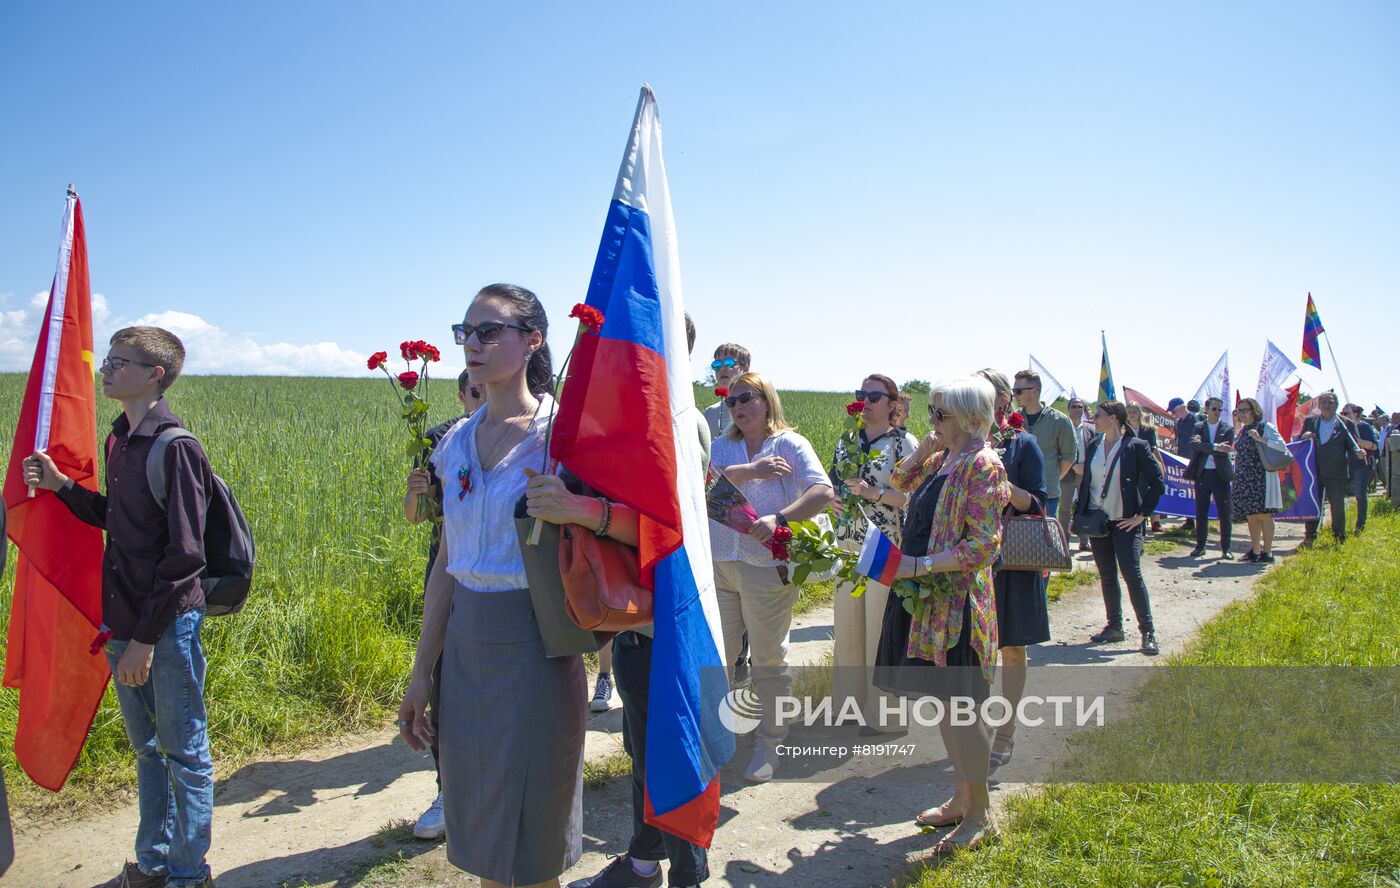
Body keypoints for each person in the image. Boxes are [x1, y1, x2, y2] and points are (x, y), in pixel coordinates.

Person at [398, 283, 596, 888]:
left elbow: (639, 528)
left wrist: (575, 507)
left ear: (533, 340)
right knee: (483, 833)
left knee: (532, 833)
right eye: (467, 333)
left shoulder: (564, 438)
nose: (473, 345)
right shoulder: (455, 444)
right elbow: (447, 568)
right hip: (465, 652)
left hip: (538, 644)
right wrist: (422, 669)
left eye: (490, 331)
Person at [25, 327, 217, 888]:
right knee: (149, 751)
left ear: (155, 374)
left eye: (119, 361)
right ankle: (153, 864)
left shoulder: (174, 447)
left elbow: (186, 557)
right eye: (107, 359)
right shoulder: (119, 440)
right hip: (124, 622)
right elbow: (122, 521)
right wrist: (63, 487)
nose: (105, 369)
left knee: (184, 753)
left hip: (163, 628)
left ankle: (188, 873)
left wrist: (145, 640)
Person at [566, 313, 711, 888]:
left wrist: (593, 509)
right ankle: (646, 860)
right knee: (644, 743)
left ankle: (686, 871)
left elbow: (670, 520)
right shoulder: (638, 417)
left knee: (668, 749)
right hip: (638, 618)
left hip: (665, 617)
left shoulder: (678, 420)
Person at [876, 376, 1009, 854]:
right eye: (930, 413)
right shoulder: (942, 458)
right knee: (948, 709)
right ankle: (960, 797)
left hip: (959, 608)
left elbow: (983, 546)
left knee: (964, 710)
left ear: (973, 417)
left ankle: (981, 816)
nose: (932, 423)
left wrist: (920, 564)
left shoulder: (983, 465)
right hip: (930, 604)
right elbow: (894, 484)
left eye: (940, 414)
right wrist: (923, 448)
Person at [708, 372, 834, 782]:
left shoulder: (790, 444)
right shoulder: (721, 446)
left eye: (747, 398)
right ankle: (718, 738)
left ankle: (770, 742)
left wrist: (778, 518)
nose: (738, 407)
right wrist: (748, 470)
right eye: (732, 401)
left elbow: (822, 491)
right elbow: (700, 489)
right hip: (720, 564)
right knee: (718, 658)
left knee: (767, 659)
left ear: (767, 401)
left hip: (766, 568)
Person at [401, 369, 484, 840]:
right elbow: (416, 519)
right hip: (447, 573)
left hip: (497, 583)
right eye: (472, 390)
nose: (480, 395)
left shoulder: (525, 437)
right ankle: (448, 792)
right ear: (460, 394)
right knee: (445, 685)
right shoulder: (442, 440)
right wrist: (417, 493)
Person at [828, 373, 917, 734]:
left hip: (884, 543)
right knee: (848, 628)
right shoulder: (847, 440)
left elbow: (913, 497)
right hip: (848, 543)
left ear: (893, 404)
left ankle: (886, 717)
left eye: (874, 396)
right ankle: (849, 707)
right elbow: (832, 481)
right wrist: (832, 497)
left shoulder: (903, 443)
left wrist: (871, 493)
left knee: (880, 629)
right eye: (861, 394)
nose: (865, 401)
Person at [977, 368, 1048, 768]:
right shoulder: (963, 446)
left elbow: (1039, 504)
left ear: (1003, 400)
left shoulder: (1024, 445)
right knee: (975, 649)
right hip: (972, 560)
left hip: (1015, 560)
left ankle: (1006, 730)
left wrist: (1006, 487)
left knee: (1012, 649)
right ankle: (978, 729)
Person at [1077, 400, 1165, 656]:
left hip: (1126, 522)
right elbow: (1087, 485)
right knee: (1107, 575)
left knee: (1132, 574)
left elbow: (1157, 483)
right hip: (1099, 522)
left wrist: (1142, 516)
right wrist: (1080, 514)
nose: (1095, 419)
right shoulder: (1094, 445)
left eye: (1099, 415)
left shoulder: (1136, 446)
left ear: (1114, 418)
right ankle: (1114, 626)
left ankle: (1148, 633)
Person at [700, 341, 752, 683]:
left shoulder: (757, 408)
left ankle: (743, 657)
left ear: (744, 367)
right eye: (717, 362)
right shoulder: (708, 413)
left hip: (747, 506)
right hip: (713, 508)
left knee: (746, 586)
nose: (722, 366)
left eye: (729, 361)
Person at [1299, 392, 1365, 546]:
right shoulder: (1311, 421)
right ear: (1319, 405)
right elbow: (1301, 441)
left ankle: (1338, 536)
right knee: (1313, 504)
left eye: (1330, 402)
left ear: (1335, 404)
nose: (1327, 405)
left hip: (1337, 471)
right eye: (1324, 402)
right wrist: (1305, 436)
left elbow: (1352, 445)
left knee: (1337, 505)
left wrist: (1358, 453)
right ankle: (1310, 535)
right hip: (1314, 470)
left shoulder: (1345, 423)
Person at [1013, 370, 1076, 528]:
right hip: (1017, 495)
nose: (1015, 395)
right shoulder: (1011, 420)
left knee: (1042, 542)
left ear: (1035, 391)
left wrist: (1050, 477)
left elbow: (1068, 458)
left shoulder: (1060, 421)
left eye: (1018, 391)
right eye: (1013, 391)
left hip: (1047, 495)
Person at [1230, 398, 1285, 563]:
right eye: (1239, 411)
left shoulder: (1265, 426)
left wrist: (1261, 439)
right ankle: (1255, 550)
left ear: (1254, 410)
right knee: (1252, 516)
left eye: (1245, 410)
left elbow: (1281, 446)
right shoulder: (1243, 430)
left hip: (1261, 476)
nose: (1242, 414)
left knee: (1264, 515)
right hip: (1244, 477)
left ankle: (1267, 552)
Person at [1185, 397, 1236, 559]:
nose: (1217, 412)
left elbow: (1225, 449)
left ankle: (1226, 548)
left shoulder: (1227, 428)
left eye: (1220, 409)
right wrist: (1215, 446)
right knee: (1201, 512)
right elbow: (1193, 444)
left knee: (1224, 513)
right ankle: (1200, 546)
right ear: (1206, 409)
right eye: (1214, 409)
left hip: (1220, 474)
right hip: (1203, 473)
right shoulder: (1198, 426)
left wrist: (1206, 447)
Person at [1126, 403, 1165, 532]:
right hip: (1128, 470)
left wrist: (1160, 465)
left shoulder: (1148, 430)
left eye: (1134, 412)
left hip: (1143, 471)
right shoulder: (1122, 429)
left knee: (1141, 501)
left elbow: (1154, 449)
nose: (1131, 414)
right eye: (1129, 412)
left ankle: (1141, 532)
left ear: (1139, 413)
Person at [1065, 396, 1097, 551]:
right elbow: (1057, 451)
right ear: (1068, 409)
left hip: (1085, 474)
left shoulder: (1090, 429)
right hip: (1066, 473)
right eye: (1074, 406)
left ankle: (1084, 540)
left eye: (1080, 407)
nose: (1077, 409)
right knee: (1065, 508)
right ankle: (1064, 540)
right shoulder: (1063, 427)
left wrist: (1086, 467)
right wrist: (1072, 466)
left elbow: (1095, 451)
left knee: (1083, 506)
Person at [701, 342, 750, 441]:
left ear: (745, 369)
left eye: (729, 363)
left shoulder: (757, 407)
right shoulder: (709, 413)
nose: (722, 368)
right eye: (717, 364)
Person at [1343, 403, 1378, 534]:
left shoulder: (1364, 427)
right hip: (1347, 465)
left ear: (1355, 413)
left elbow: (1374, 446)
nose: (1343, 416)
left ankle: (1360, 525)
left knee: (1360, 495)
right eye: (1342, 413)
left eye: (1346, 413)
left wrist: (1357, 441)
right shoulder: (1344, 428)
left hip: (1362, 466)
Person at [1168, 397, 1199, 532]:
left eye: (1174, 411)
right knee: (1186, 489)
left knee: (1197, 490)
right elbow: (1180, 440)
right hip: (1183, 460)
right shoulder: (1178, 423)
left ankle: (1201, 519)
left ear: (1181, 407)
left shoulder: (1196, 420)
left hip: (1196, 459)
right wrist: (1174, 444)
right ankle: (1189, 520)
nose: (1173, 414)